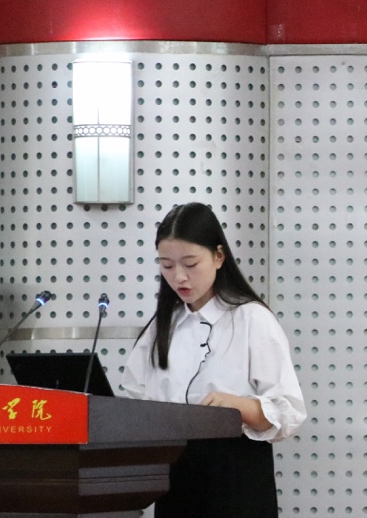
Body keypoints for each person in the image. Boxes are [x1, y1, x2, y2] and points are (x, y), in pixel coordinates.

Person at [120, 202, 306, 517]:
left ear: (219, 256)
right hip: (176, 478)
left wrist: (240, 407)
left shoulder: (251, 319)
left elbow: (288, 412)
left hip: (236, 478)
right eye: (167, 265)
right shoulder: (162, 326)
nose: (179, 276)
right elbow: (135, 398)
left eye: (190, 264)